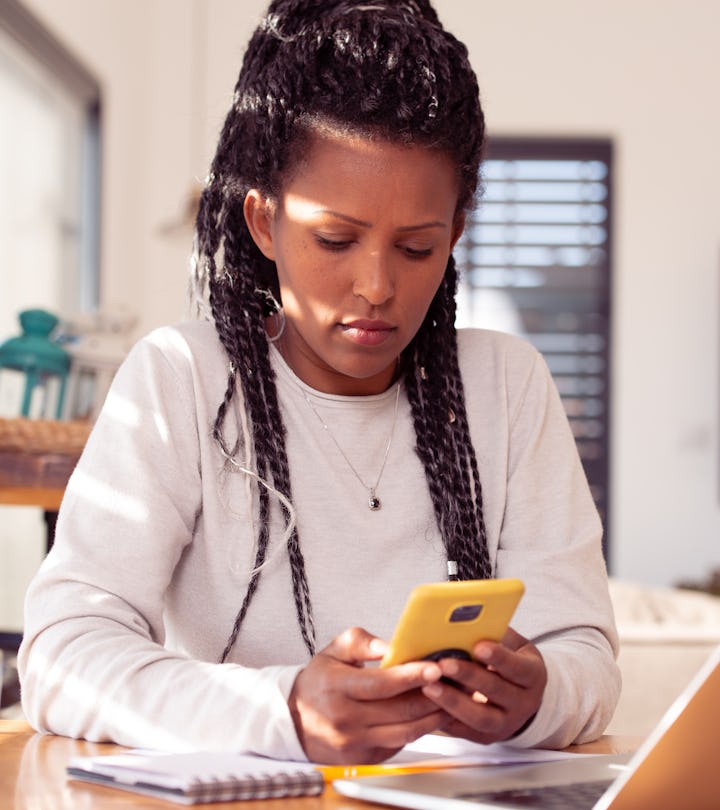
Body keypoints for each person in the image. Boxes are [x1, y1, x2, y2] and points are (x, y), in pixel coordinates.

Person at [18, 0, 620, 764]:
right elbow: (62, 655)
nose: (376, 286)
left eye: (416, 248)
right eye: (335, 239)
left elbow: (586, 658)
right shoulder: (184, 380)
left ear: (456, 234)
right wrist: (287, 712)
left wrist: (539, 696)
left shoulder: (506, 386)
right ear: (264, 222)